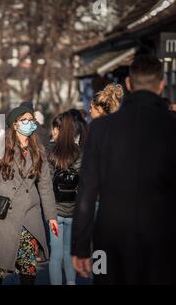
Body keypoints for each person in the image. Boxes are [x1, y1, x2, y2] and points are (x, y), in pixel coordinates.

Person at [71, 54, 176, 284]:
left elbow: (86, 194)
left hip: (108, 239)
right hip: (161, 239)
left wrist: (80, 247)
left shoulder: (100, 130)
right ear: (161, 86)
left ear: (129, 84)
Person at [0, 105, 58, 285]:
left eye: (32, 120)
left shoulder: (39, 150)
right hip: (2, 215)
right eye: (25, 120)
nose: (30, 123)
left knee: (28, 270)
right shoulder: (2, 148)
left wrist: (51, 216)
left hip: (29, 216)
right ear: (15, 125)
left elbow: (45, 185)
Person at [47, 112, 81, 285]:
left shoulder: (51, 153)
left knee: (56, 255)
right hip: (74, 210)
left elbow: (46, 184)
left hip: (55, 211)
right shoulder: (79, 152)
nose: (52, 131)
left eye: (54, 127)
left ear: (59, 130)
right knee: (69, 253)